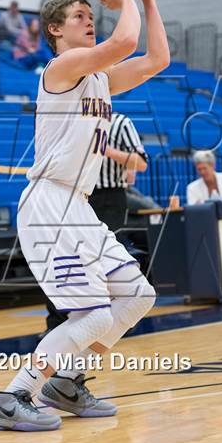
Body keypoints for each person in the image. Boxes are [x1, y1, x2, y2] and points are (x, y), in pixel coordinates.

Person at [0, 0, 170, 432]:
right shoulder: (60, 68)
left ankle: (66, 383)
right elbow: (125, 43)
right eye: (80, 15)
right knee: (91, 314)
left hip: (79, 206)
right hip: (49, 204)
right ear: (54, 29)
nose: (91, 20)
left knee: (137, 296)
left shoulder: (100, 80)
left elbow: (156, 59)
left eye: (92, 14)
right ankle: (12, 396)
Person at [44, 112, 149, 333]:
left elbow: (140, 163)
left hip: (109, 198)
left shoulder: (121, 123)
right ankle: (57, 324)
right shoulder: (72, 121)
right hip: (73, 195)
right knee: (62, 257)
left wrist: (104, 149)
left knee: (104, 261)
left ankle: (114, 318)